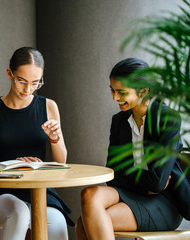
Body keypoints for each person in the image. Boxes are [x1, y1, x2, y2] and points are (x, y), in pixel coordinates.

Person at [76, 57, 190, 240]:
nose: (114, 97)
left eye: (121, 92)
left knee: (85, 223)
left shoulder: (168, 119)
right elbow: (113, 172)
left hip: (164, 202)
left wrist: (133, 175)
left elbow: (158, 183)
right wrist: (147, 183)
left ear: (143, 91)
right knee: (89, 193)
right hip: (133, 193)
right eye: (112, 90)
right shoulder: (119, 121)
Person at [0, 46, 74, 240]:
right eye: (21, 81)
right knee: (19, 213)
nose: (28, 89)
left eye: (35, 83)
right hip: (1, 188)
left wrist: (54, 139)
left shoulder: (48, 106)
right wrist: (13, 165)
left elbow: (61, 163)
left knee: (58, 223)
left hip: (39, 188)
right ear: (10, 73)